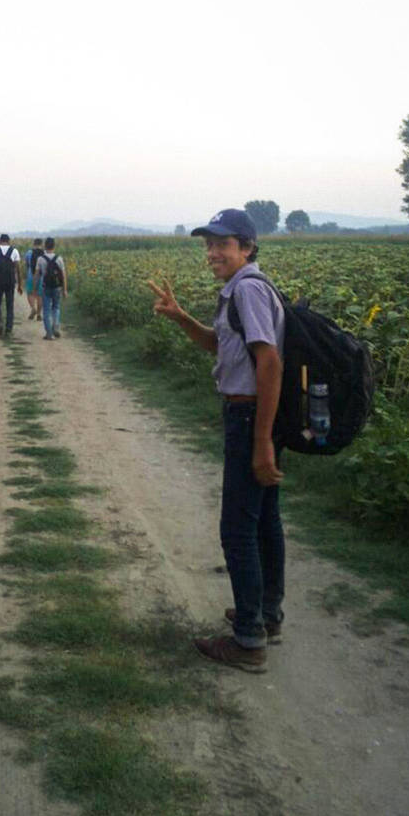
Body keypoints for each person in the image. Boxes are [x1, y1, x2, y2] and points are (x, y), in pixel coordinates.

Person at [149, 208, 285, 674]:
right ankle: (266, 613)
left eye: (222, 244)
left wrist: (261, 440)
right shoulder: (246, 288)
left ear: (246, 247)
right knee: (264, 520)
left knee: (238, 528)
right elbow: (219, 345)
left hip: (250, 417)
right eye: (208, 244)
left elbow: (269, 363)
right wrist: (180, 316)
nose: (212, 253)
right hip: (256, 416)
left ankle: (248, 639)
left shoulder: (246, 289)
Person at [35, 236, 67, 340]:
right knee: (56, 307)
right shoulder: (59, 258)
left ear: (45, 246)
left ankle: (49, 333)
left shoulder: (40, 259)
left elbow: (37, 275)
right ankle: (56, 326)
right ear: (54, 246)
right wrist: (65, 289)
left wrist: (35, 287)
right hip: (57, 287)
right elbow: (63, 275)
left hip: (46, 287)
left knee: (46, 310)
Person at [24, 238, 44, 320]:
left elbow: (26, 264)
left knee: (30, 293)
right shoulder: (44, 253)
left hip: (31, 275)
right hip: (42, 276)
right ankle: (39, 314)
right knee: (40, 295)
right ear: (41, 244)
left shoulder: (29, 253)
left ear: (34, 244)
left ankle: (33, 308)